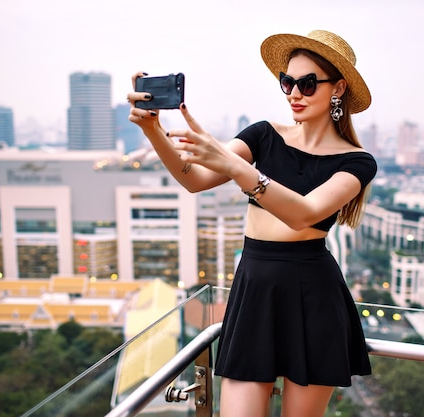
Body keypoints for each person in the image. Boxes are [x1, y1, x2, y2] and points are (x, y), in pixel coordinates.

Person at [128, 29, 376, 417]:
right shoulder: (264, 134)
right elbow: (194, 179)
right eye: (287, 82)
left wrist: (234, 166)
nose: (294, 92)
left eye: (308, 83)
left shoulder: (357, 161)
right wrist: (152, 130)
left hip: (313, 294)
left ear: (338, 88)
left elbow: (305, 214)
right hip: (254, 288)